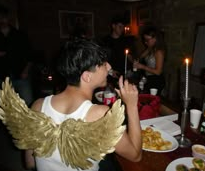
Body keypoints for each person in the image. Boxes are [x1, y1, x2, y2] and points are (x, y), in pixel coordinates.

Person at [24, 38, 142, 171]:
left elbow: (30, 162)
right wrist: (132, 105)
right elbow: (135, 155)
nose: (109, 67)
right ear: (87, 77)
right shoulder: (100, 115)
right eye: (103, 64)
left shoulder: (37, 105)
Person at [0, 3, 34, 106]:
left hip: (21, 76)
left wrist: (25, 71)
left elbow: (30, 55)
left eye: (3, 18)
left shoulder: (19, 35)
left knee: (27, 104)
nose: (1, 21)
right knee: (5, 108)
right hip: (1, 78)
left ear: (8, 18)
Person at [99, 15, 137, 80]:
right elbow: (101, 59)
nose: (122, 29)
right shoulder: (105, 41)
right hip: (111, 75)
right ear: (113, 26)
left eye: (123, 27)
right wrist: (110, 71)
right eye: (120, 27)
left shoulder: (126, 40)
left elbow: (130, 57)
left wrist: (134, 65)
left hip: (125, 74)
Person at [133, 26, 166, 96]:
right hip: (149, 78)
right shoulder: (150, 48)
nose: (145, 42)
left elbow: (158, 72)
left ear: (155, 39)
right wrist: (136, 60)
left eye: (147, 40)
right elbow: (140, 57)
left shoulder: (159, 52)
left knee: (153, 101)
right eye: (144, 40)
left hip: (156, 80)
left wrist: (142, 67)